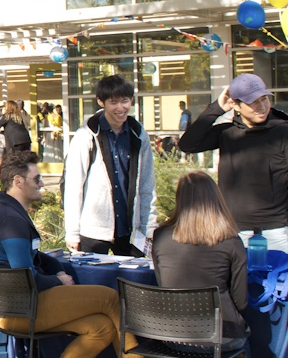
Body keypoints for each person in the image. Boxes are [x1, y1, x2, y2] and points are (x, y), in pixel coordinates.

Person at [0, 149, 136, 358]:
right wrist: (58, 280)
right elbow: (27, 278)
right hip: (18, 311)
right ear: (18, 181)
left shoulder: (7, 210)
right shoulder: (11, 220)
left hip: (17, 307)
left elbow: (36, 256)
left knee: (101, 327)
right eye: (37, 178)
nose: (42, 184)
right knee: (110, 299)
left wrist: (58, 271)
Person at [181, 72, 288, 250]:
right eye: (253, 102)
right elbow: (188, 145)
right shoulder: (227, 133)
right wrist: (216, 109)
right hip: (232, 230)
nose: (262, 106)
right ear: (236, 106)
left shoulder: (282, 131)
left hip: (276, 231)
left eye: (264, 99)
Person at [148, 170, 247, 353]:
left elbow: (164, 285)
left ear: (180, 200)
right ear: (215, 198)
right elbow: (241, 301)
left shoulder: (160, 236)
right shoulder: (231, 241)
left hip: (173, 335)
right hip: (221, 337)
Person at [63, 74, 156, 256]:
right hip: (93, 231)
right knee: (92, 284)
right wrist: (72, 232)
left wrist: (149, 227)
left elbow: (147, 184)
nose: (120, 108)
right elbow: (74, 187)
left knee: (131, 282)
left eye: (125, 101)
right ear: (101, 101)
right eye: (113, 102)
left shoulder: (138, 135)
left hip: (130, 229)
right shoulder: (86, 136)